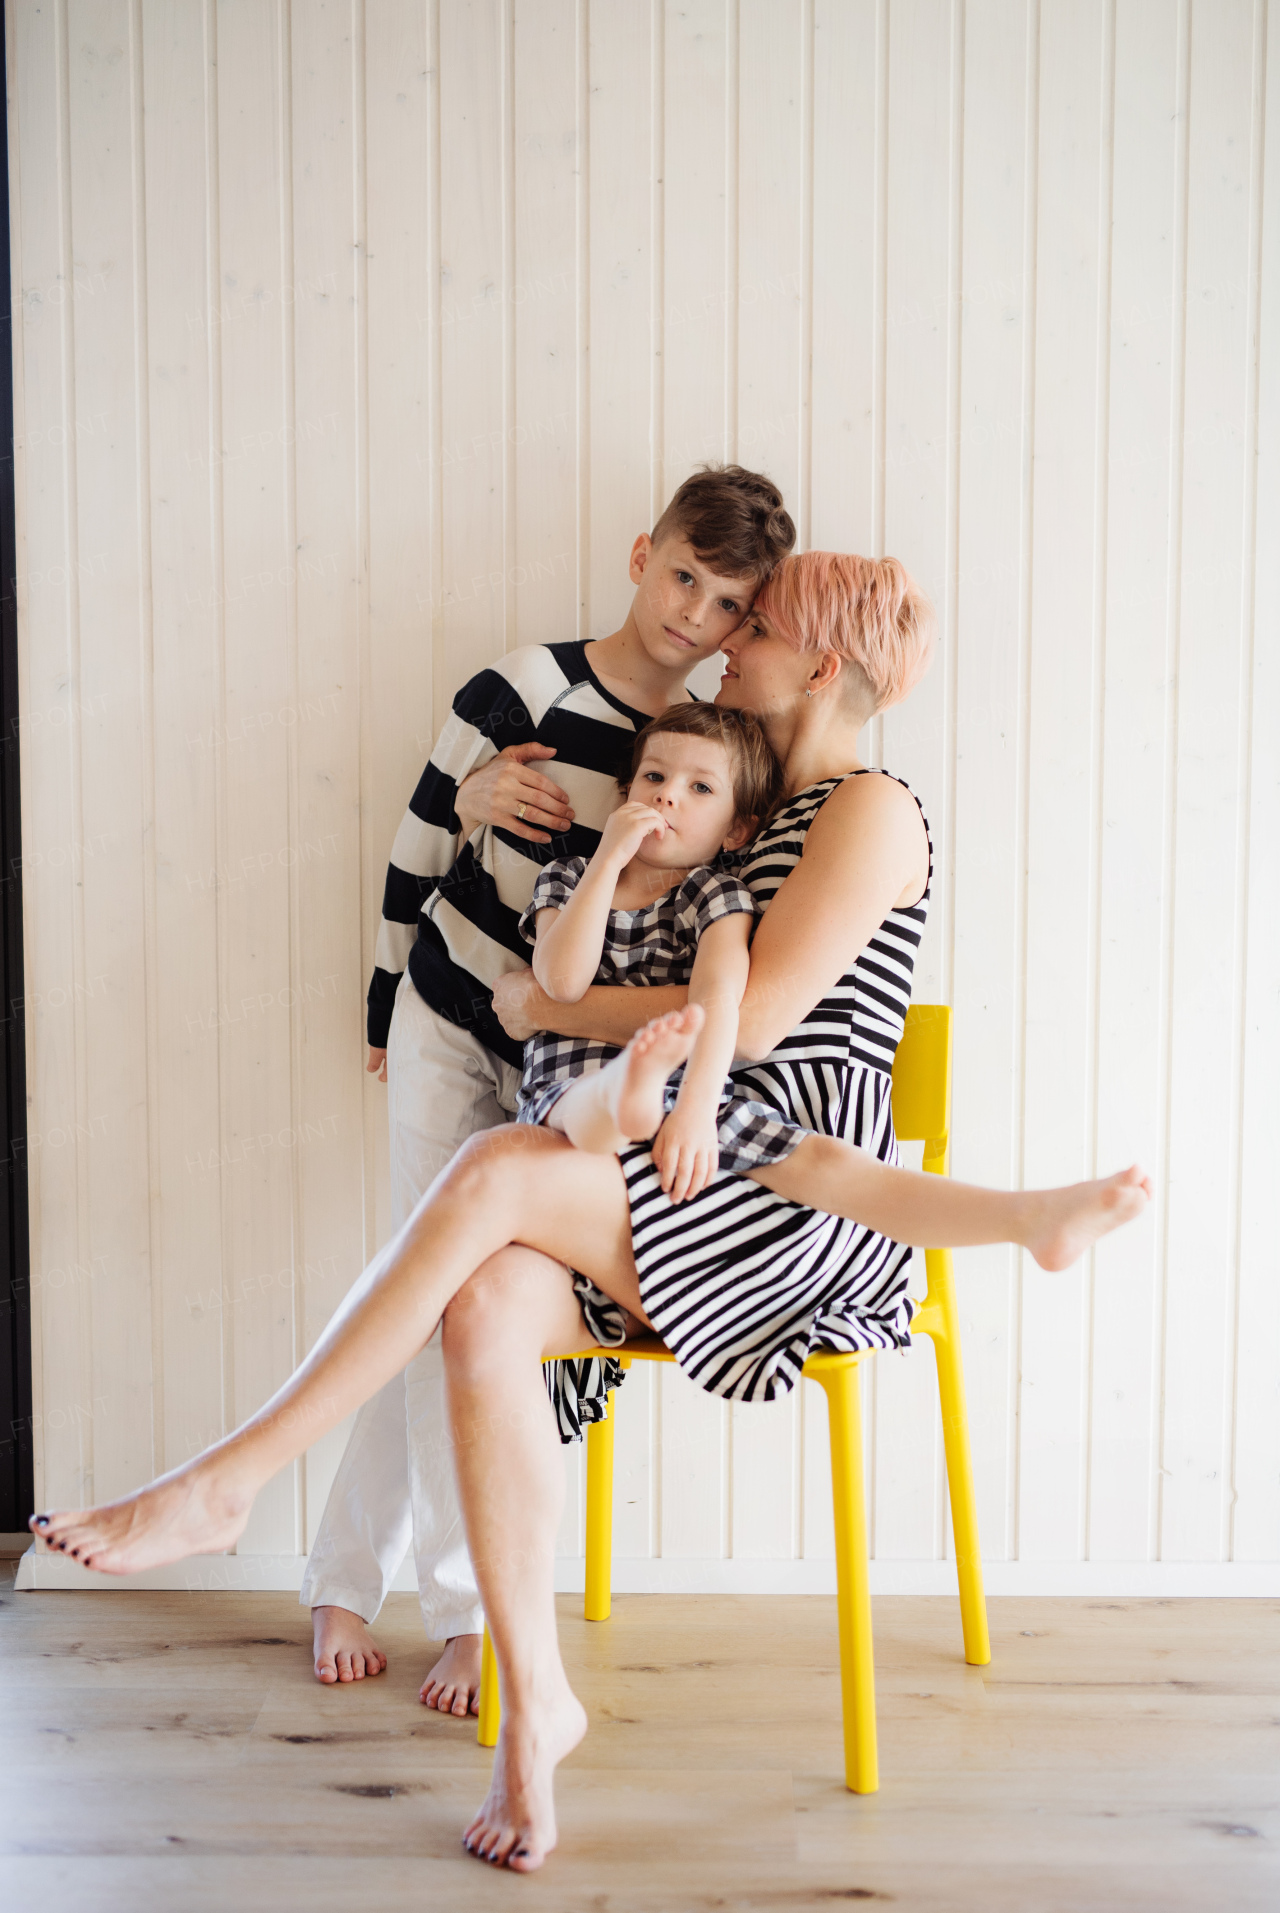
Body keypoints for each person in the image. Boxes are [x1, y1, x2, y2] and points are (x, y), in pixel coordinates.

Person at [31, 551, 1153, 1875]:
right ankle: (534, 1705)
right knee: (486, 1300)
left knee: (497, 1172)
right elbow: (599, 921)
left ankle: (229, 1481)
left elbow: (765, 1022)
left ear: (829, 665)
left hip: (782, 1201)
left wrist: (546, 1008)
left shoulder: (869, 807)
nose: (730, 640)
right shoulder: (729, 809)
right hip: (680, 1179)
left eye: (762, 624)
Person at [302, 464, 796, 1708]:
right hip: (442, 1015)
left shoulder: (684, 752)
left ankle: (352, 1581)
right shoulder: (527, 680)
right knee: (418, 1300)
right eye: (683, 575)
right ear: (642, 554)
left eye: (727, 604)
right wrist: (381, 996)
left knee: (443, 1303)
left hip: (546, 1064)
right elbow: (419, 831)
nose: (693, 614)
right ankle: (437, 1605)